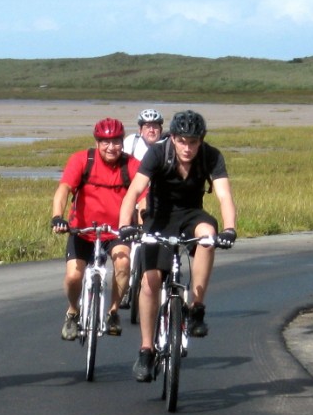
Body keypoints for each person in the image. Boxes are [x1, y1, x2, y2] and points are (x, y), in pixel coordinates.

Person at [118, 109, 237, 382]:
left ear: (201, 140)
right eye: (182, 140)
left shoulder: (211, 156)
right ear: (172, 137)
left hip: (191, 214)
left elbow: (224, 195)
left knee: (208, 235)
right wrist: (126, 225)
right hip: (159, 217)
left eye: (193, 142)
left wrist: (229, 229)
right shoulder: (159, 153)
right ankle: (146, 349)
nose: (187, 147)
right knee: (150, 282)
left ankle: (196, 308)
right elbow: (135, 191)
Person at [51, 117, 140, 340]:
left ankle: (113, 312)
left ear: (123, 141)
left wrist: (142, 221)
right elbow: (64, 189)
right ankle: (73, 312)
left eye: (117, 141)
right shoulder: (82, 160)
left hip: (117, 231)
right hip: (82, 230)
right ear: (97, 142)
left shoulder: (131, 165)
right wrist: (57, 217)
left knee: (123, 264)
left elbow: (144, 197)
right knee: (73, 276)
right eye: (105, 142)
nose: (112, 147)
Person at [119, 107, 163, 310]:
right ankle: (128, 285)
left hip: (157, 197)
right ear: (140, 129)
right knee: (131, 238)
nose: (152, 130)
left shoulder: (168, 145)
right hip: (134, 193)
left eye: (155, 126)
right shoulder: (131, 143)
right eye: (147, 126)